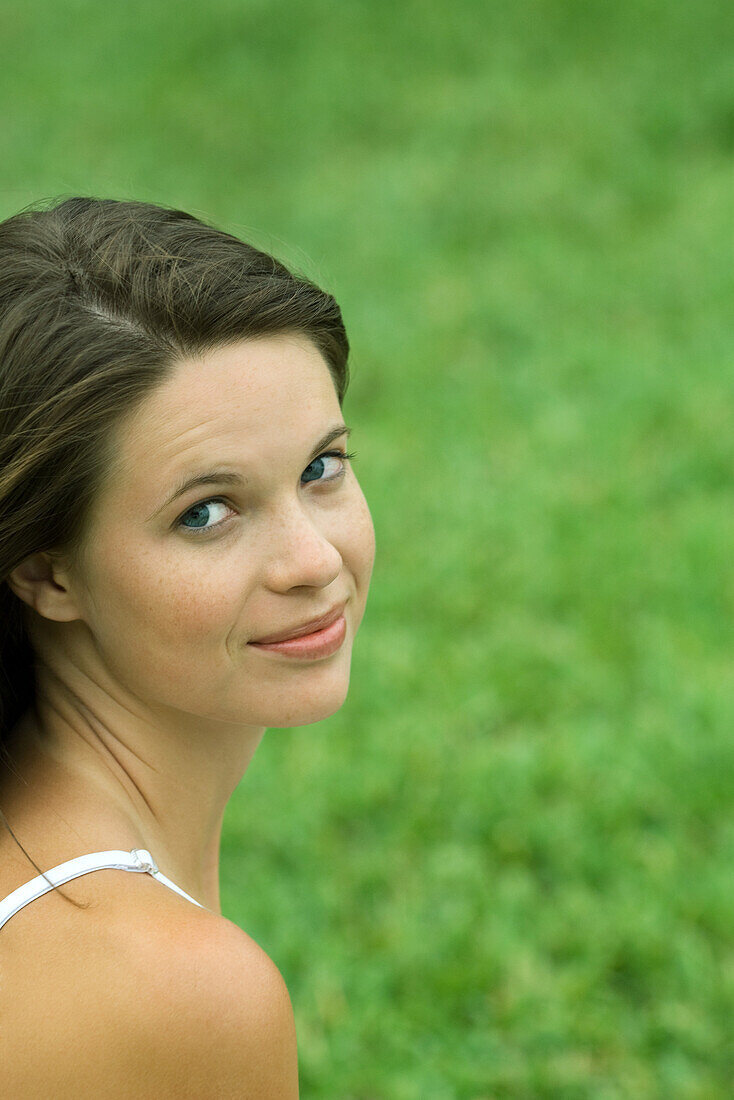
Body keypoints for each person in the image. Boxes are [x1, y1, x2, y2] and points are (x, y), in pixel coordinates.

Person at [0, 196, 376, 1097]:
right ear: (47, 572)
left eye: (321, 468)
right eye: (205, 512)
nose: (313, 560)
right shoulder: (173, 989)